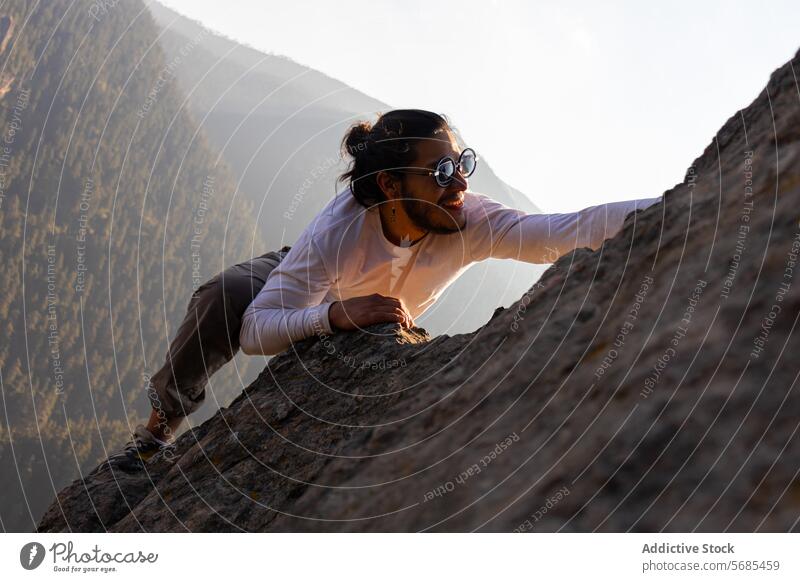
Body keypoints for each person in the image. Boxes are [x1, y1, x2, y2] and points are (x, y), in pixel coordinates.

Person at [102, 109, 661, 471]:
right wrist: (334, 315)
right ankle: (157, 431)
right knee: (224, 296)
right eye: (441, 172)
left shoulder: (470, 220)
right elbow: (254, 330)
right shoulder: (335, 233)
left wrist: (680, 203)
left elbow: (566, 232)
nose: (462, 182)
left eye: (462, 163)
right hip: (317, 277)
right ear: (390, 185)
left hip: (375, 309)